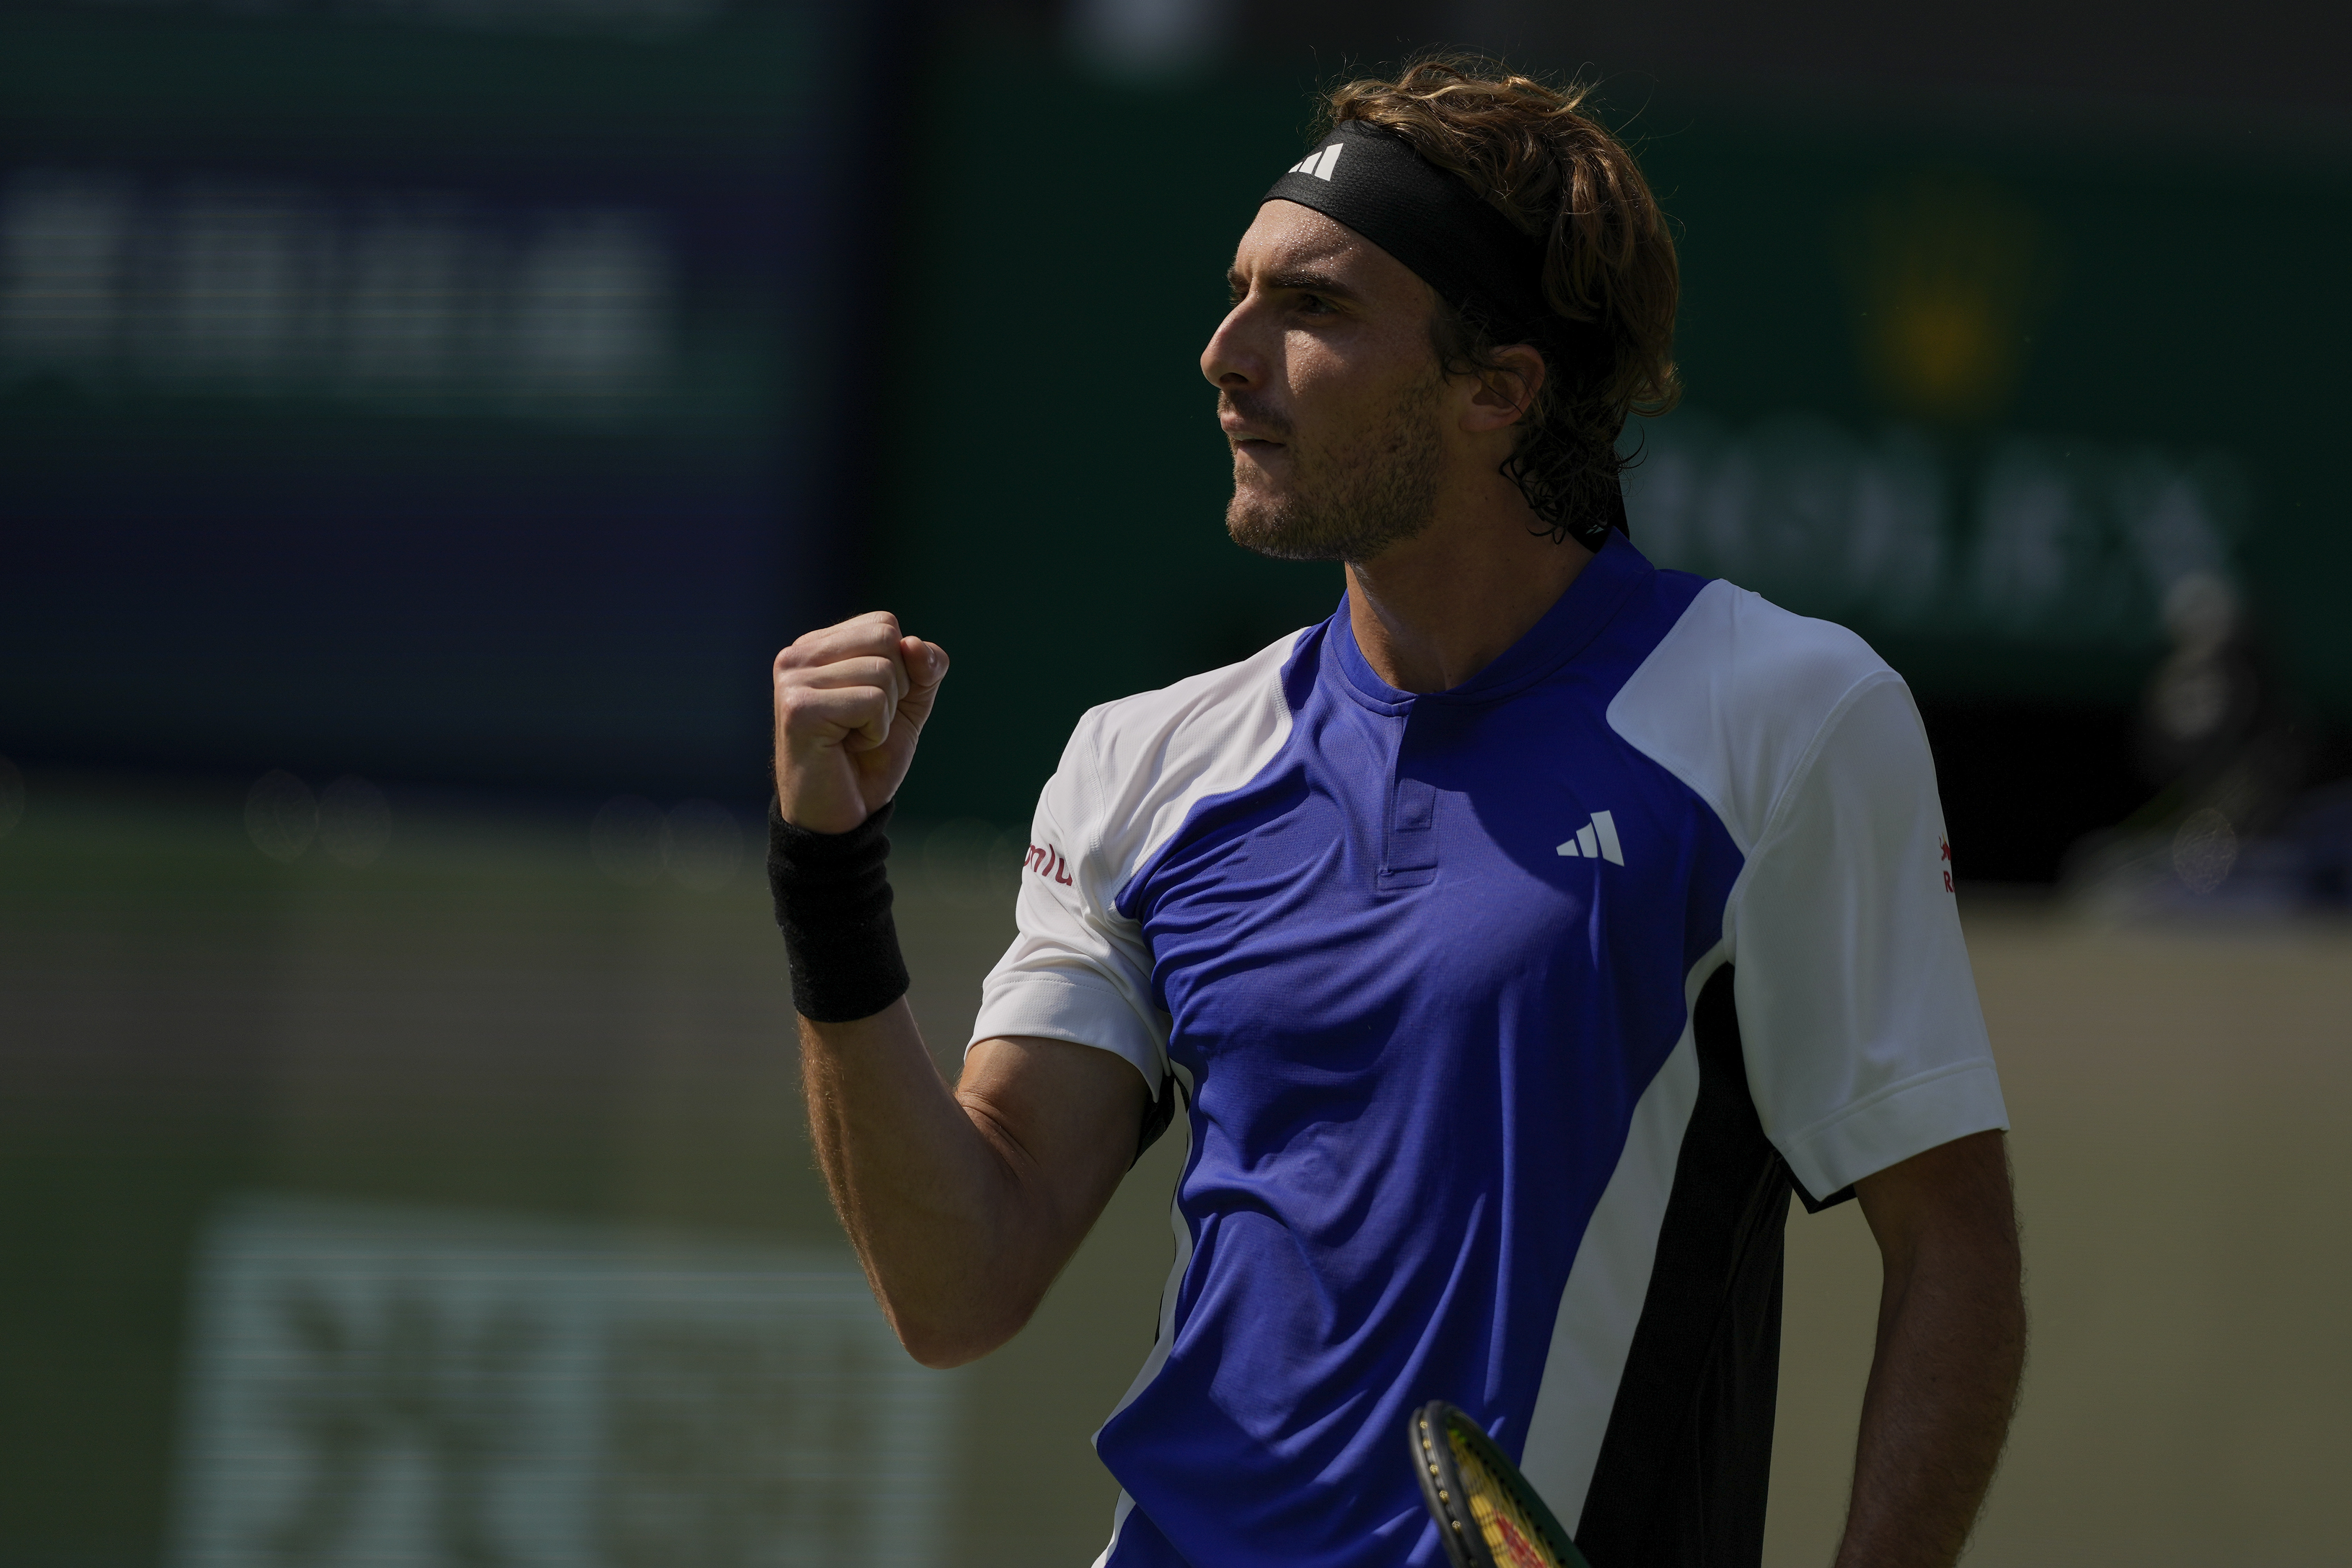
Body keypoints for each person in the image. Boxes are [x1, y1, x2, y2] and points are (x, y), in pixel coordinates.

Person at [767, 56, 2025, 1568]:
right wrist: (829, 879)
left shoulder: (1788, 719)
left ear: (1499, 389)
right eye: (1239, 295)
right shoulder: (1145, 760)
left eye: (1315, 308)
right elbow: (957, 1285)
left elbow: (1954, 1254)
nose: (1227, 354)